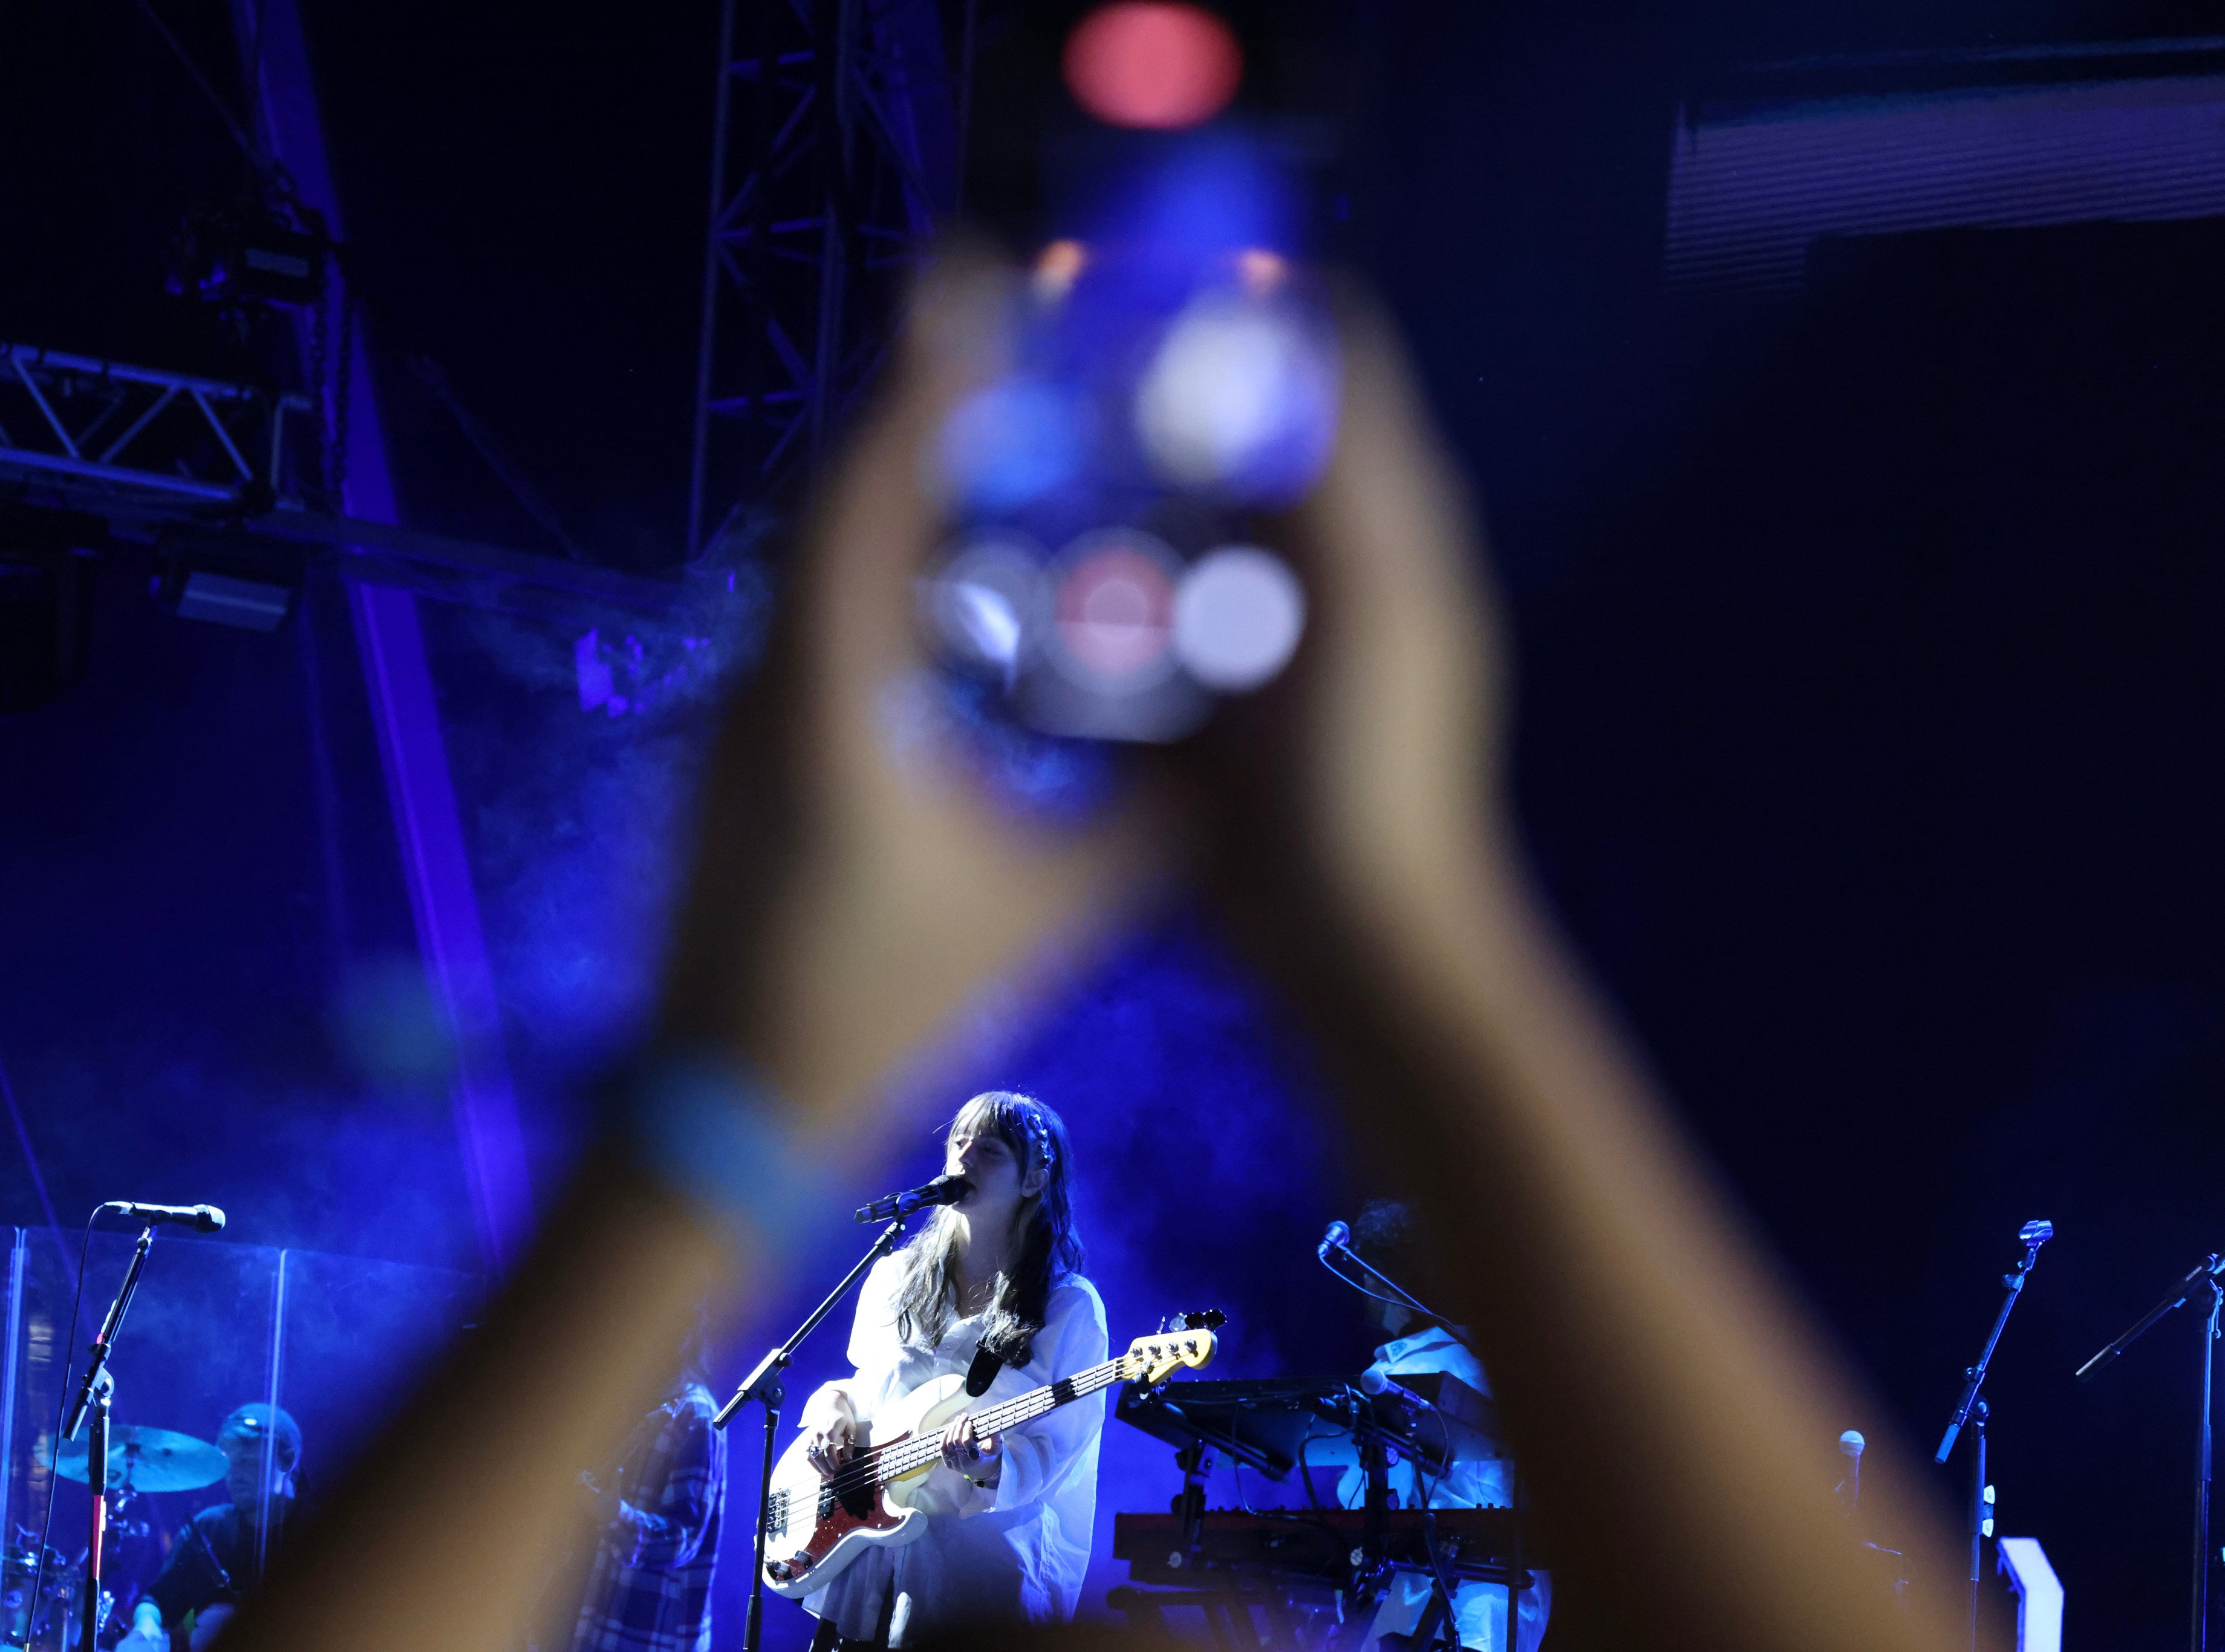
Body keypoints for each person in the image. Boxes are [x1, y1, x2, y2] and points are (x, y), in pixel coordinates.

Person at [212, 256, 1968, 1652]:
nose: (953, 1170)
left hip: (974, 1570)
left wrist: (728, 1086)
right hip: (878, 1572)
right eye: (953, 1147)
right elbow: (849, 1388)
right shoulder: (909, 1278)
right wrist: (1422, 939)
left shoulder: (1078, 1317)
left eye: (982, 1155)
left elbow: (1027, 1453)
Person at [798, 1090, 1105, 1648]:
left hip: (977, 1589)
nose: (963, 1157)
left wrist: (990, 1468)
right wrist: (831, 1411)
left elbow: (1061, 1446)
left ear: (1034, 1180)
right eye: (958, 1142)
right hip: (862, 1569)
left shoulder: (1067, 1308)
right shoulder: (894, 1276)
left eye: (988, 1150)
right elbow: (865, 1387)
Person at [1332, 1202, 1548, 1652]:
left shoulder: (1402, 1375)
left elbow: (1357, 1499)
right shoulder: (1487, 1363)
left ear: (1376, 1279)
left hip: (1437, 1614)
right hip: (1514, 1610)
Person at [565, 1323, 726, 1652]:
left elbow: (683, 1540)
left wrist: (613, 1514)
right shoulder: (624, 1401)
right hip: (587, 1625)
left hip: (640, 1636)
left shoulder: (696, 1415)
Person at [138, 1403, 304, 1651]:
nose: (234, 1474)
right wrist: (144, 1630)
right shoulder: (209, 1528)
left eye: (249, 1462)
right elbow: (158, 1603)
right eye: (229, 1463)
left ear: (288, 1461)